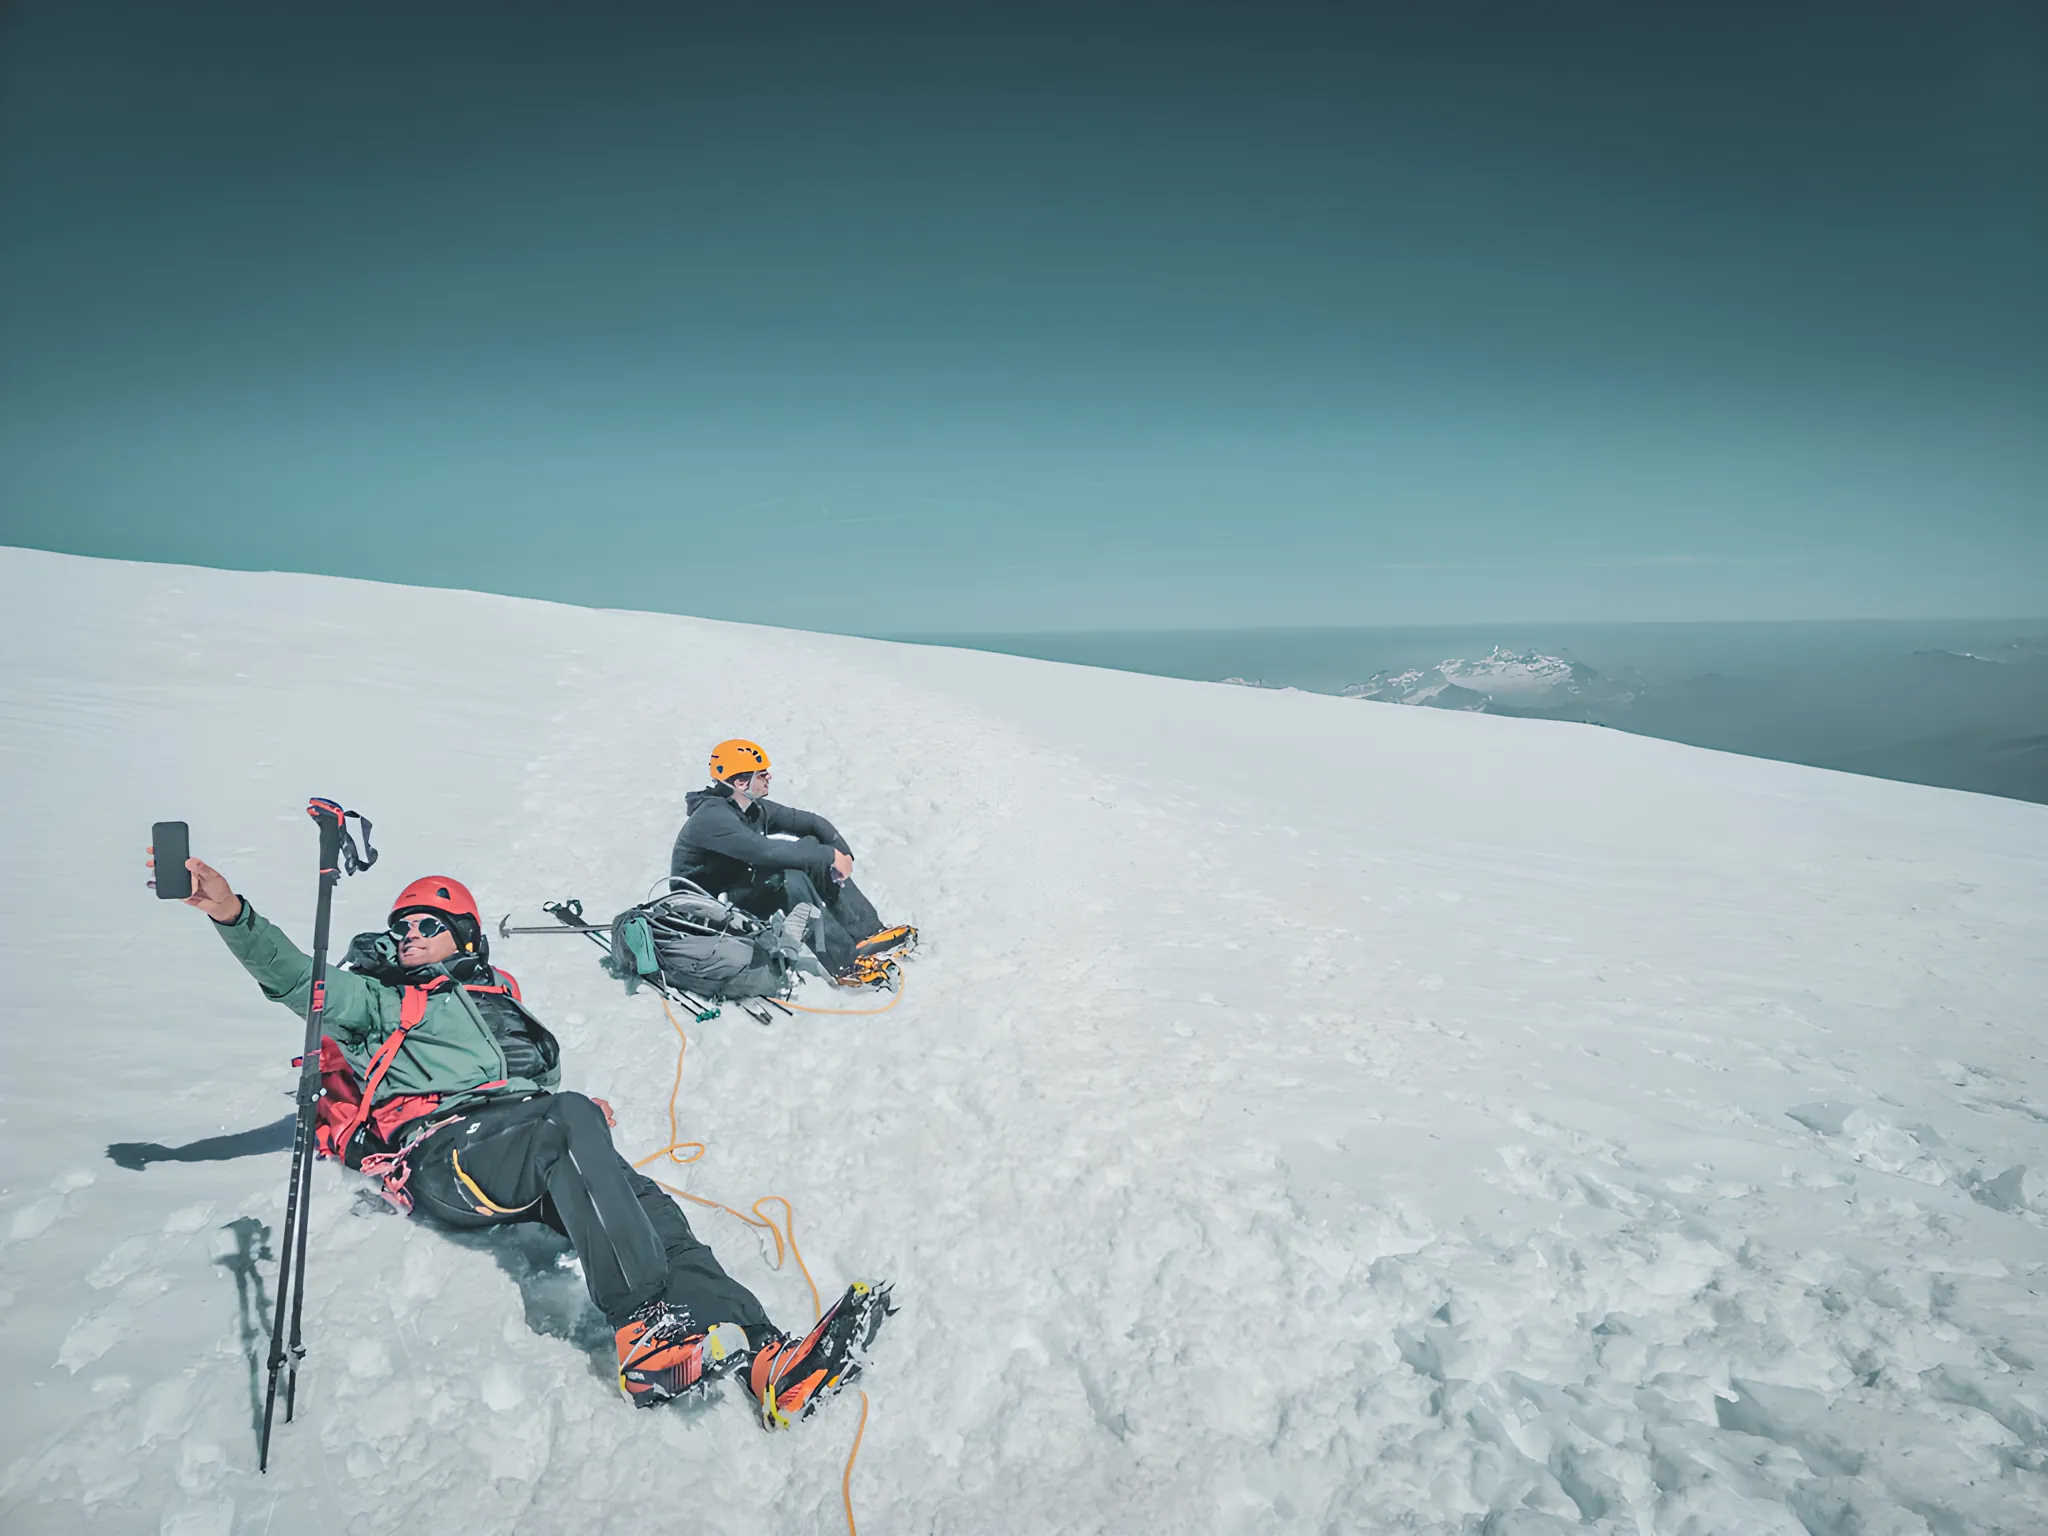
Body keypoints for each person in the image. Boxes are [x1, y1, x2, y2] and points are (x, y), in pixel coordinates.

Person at [151, 846, 890, 1422]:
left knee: (656, 1211)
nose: (408, 934)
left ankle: (768, 1360)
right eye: (402, 926)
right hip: (447, 1155)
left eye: (427, 925)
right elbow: (294, 979)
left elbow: (528, 1089)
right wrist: (230, 912)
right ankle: (644, 1331)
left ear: (462, 937)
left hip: (525, 1146)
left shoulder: (493, 996)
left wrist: (558, 1118)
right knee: (570, 1117)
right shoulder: (380, 1001)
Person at [670, 739, 913, 980]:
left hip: (736, 899)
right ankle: (846, 965)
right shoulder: (712, 818)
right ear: (741, 782)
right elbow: (765, 851)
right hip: (707, 921)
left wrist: (841, 853)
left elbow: (809, 822)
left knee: (811, 851)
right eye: (762, 774)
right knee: (790, 879)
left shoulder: (749, 807)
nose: (769, 778)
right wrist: (829, 855)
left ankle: (868, 933)